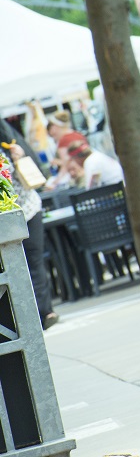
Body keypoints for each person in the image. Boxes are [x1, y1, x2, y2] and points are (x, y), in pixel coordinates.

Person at [0, 121, 59, 330]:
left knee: (34, 258)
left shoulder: (11, 144)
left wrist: (21, 156)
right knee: (14, 266)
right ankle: (25, 318)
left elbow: (36, 174)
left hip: (29, 208)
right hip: (5, 216)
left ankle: (45, 312)